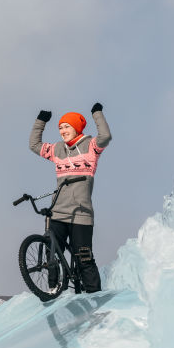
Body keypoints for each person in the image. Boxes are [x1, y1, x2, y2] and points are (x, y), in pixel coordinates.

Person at [29, 102, 111, 293]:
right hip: (58, 212)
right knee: (51, 252)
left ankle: (94, 297)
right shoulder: (57, 149)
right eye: (60, 128)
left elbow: (105, 136)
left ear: (76, 127)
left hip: (81, 214)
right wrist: (41, 121)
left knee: (84, 257)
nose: (62, 131)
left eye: (66, 126)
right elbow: (34, 145)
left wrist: (96, 113)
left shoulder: (91, 147)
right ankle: (53, 288)